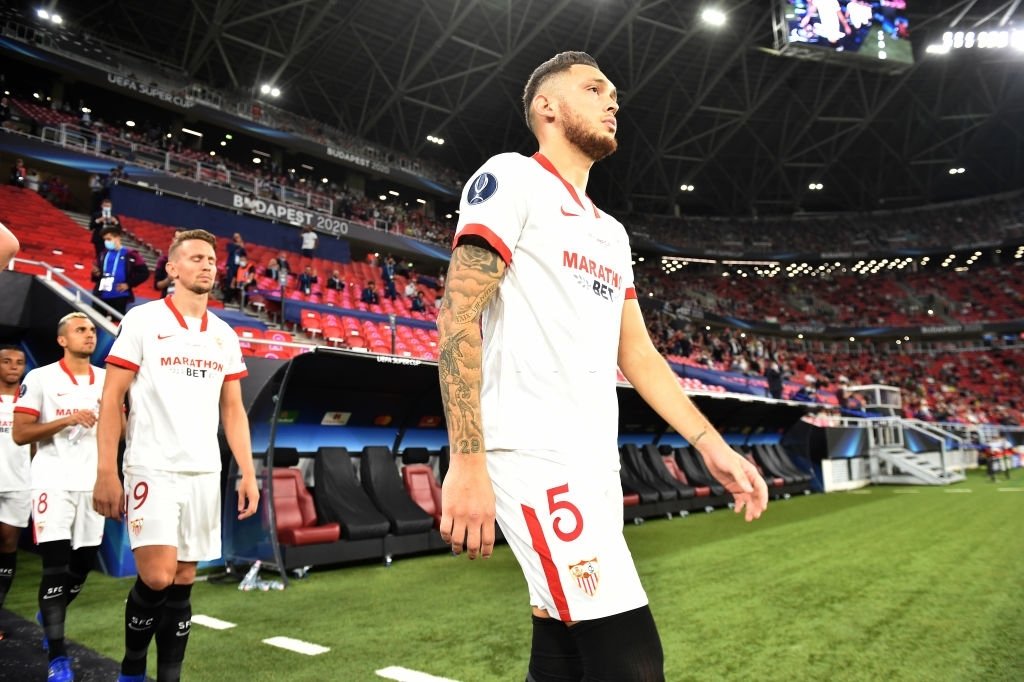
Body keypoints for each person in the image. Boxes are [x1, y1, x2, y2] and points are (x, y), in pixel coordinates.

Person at [436, 52, 768, 682]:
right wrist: (469, 461)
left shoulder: (611, 233)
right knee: (633, 663)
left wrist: (712, 446)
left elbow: (637, 353)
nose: (613, 101)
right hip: (531, 455)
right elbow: (457, 317)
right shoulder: (510, 178)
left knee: (561, 640)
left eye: (614, 92)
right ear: (547, 108)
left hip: (593, 463)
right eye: (595, 89)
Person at [93, 229, 259, 682]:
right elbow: (111, 400)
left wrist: (247, 471)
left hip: (205, 470)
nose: (208, 265)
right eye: (197, 258)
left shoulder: (224, 334)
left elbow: (233, 409)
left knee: (185, 580)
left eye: (212, 258)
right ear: (172, 268)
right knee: (158, 577)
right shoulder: (143, 321)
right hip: (153, 466)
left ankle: (169, 675)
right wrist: (106, 470)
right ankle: (130, 669)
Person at [12, 313, 109, 682]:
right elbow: (21, 434)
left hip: (92, 485)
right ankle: (58, 657)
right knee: (54, 568)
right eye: (81, 329)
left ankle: (48, 613)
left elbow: (116, 432)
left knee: (81, 568)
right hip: (52, 483)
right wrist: (66, 420)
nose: (89, 334)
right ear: (62, 340)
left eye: (91, 329)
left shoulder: (106, 380)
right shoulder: (40, 378)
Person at [0, 345, 30, 643]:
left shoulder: (30, 398)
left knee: (8, 546)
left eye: (19, 362)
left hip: (20, 483)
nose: (13, 366)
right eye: (6, 361)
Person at [91, 227, 149, 317]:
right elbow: (96, 275)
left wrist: (128, 284)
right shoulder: (103, 254)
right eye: (105, 239)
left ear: (117, 238)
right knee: (97, 323)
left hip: (120, 296)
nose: (106, 242)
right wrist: (95, 273)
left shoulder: (131, 254)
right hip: (101, 295)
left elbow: (144, 273)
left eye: (109, 239)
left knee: (117, 326)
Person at [154, 230, 183, 299]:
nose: (179, 242)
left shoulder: (192, 261)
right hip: (166, 302)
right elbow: (157, 286)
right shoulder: (163, 260)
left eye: (182, 239)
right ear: (173, 240)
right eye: (176, 238)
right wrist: (168, 279)